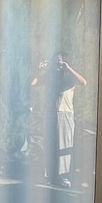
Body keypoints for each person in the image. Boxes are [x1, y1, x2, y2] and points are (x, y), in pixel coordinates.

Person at [33, 52, 87, 187]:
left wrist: (68, 68)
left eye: (61, 62)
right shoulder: (50, 78)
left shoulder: (69, 79)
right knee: (50, 144)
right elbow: (33, 84)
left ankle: (63, 177)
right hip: (50, 113)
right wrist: (41, 70)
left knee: (64, 145)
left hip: (65, 114)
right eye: (56, 62)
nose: (58, 65)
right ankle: (49, 175)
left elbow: (84, 82)